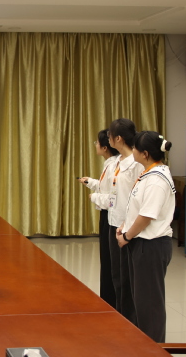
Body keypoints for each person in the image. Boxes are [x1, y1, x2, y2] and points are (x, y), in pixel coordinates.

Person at [116, 131, 174, 342]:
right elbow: (138, 207)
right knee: (141, 301)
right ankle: (143, 345)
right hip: (141, 243)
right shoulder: (149, 173)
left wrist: (127, 236)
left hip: (150, 246)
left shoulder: (157, 180)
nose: (133, 151)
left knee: (150, 305)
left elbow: (147, 216)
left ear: (145, 154)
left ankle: (154, 349)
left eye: (135, 149)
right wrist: (124, 225)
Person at [106, 118, 143, 324]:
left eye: (110, 135)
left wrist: (128, 228)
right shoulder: (117, 161)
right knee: (117, 275)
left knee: (127, 278)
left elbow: (138, 197)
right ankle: (120, 316)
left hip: (128, 226)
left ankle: (129, 320)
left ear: (118, 138)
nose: (108, 139)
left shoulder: (136, 164)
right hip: (114, 221)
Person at [78, 129, 119, 308]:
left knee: (110, 261)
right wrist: (91, 182)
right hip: (107, 215)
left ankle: (111, 302)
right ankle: (107, 300)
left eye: (97, 143)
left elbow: (112, 198)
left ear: (105, 147)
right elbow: (105, 188)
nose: (95, 145)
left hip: (111, 216)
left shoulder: (114, 165)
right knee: (107, 259)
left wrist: (94, 197)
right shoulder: (109, 164)